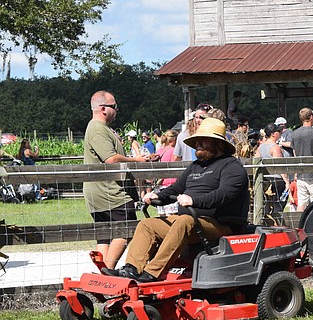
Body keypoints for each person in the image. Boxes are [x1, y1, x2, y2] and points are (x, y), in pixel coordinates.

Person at [104, 117, 249, 282]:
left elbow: (224, 195)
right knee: (147, 225)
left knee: (184, 221)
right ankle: (131, 269)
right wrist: (158, 195)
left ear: (218, 143)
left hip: (219, 225)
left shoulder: (232, 167)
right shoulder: (196, 166)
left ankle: (152, 273)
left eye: (203, 140)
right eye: (197, 140)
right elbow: (176, 188)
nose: (198, 144)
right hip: (191, 222)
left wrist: (194, 201)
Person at [83, 91, 155, 270]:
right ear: (103, 109)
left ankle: (102, 277)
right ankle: (107, 274)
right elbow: (111, 159)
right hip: (111, 193)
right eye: (114, 106)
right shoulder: (98, 129)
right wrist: (137, 160)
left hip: (101, 192)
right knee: (126, 231)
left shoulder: (99, 128)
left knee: (104, 235)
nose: (117, 109)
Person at [258, 122, 289, 215]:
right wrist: (287, 181)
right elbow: (280, 167)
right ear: (273, 134)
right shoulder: (275, 148)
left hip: (264, 180)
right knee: (278, 206)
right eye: (278, 131)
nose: (280, 133)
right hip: (277, 180)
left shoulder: (260, 147)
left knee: (267, 205)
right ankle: (277, 225)